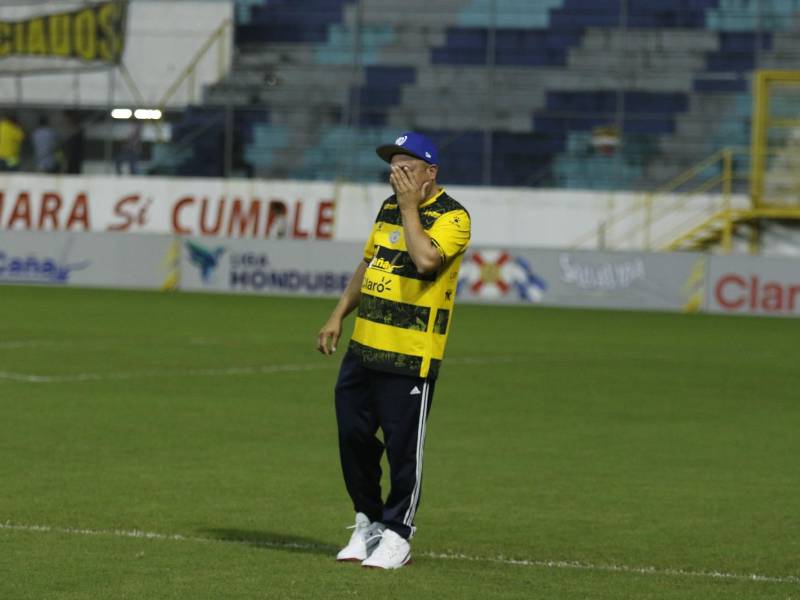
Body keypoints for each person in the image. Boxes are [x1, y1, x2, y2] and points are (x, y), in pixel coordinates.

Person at [317, 132, 471, 569]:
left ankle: (398, 533)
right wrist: (337, 315)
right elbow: (370, 265)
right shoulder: (388, 208)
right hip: (363, 347)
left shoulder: (453, 217)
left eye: (406, 167)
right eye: (393, 166)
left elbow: (425, 261)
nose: (396, 175)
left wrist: (409, 209)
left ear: (430, 173)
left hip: (410, 355)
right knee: (353, 439)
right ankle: (367, 521)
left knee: (404, 449)